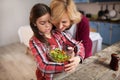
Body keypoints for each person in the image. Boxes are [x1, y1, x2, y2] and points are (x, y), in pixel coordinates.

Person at [29, 3, 85, 80]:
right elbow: (44, 66)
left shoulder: (58, 33)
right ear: (34, 23)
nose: (47, 25)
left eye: (49, 21)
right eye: (42, 23)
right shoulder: (34, 41)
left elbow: (79, 45)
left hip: (61, 75)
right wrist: (66, 66)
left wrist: (78, 58)